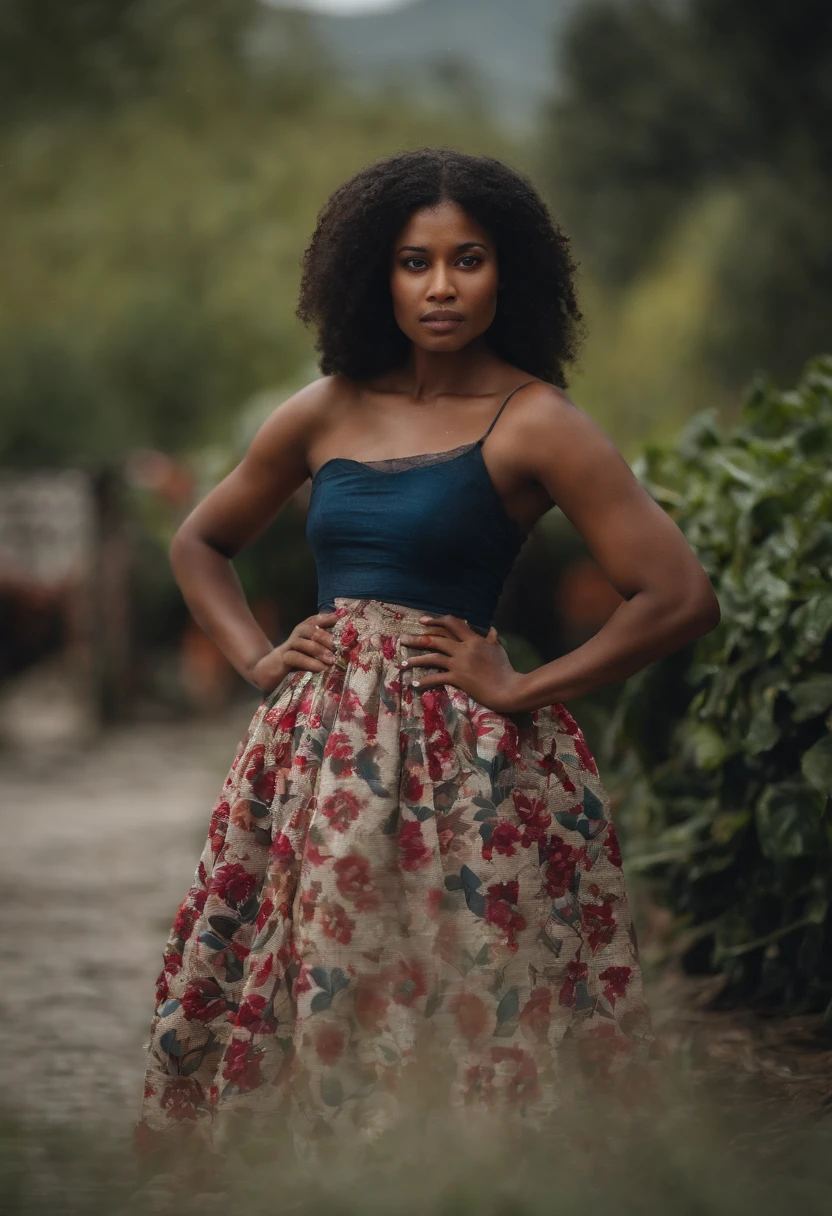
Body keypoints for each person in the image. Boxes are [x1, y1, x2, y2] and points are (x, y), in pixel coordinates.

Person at [135, 148, 720, 1164]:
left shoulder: (539, 421)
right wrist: (256, 657)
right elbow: (199, 541)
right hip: (314, 764)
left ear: (510, 273)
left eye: (469, 259)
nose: (442, 286)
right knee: (321, 971)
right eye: (415, 262)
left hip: (470, 767)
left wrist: (527, 685)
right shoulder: (325, 407)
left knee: (471, 982)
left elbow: (677, 596)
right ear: (377, 274)